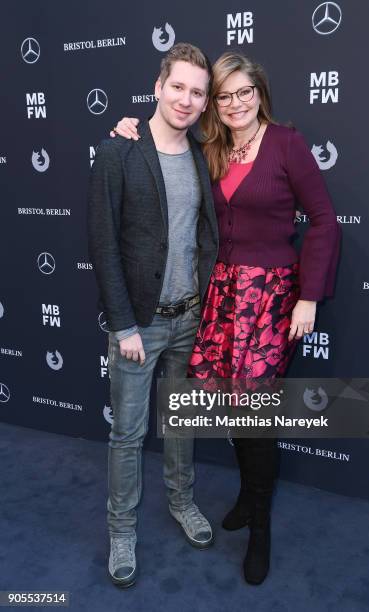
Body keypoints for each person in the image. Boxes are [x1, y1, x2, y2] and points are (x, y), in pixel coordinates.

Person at [111, 52, 340, 585]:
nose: (235, 103)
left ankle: (260, 528)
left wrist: (309, 297)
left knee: (256, 420)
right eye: (224, 95)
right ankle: (245, 498)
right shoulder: (209, 147)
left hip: (272, 298)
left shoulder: (287, 143)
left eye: (245, 92)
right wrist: (124, 128)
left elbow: (325, 221)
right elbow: (158, 149)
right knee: (232, 414)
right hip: (218, 297)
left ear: (260, 92)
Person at [87, 43, 218, 588]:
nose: (186, 100)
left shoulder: (202, 155)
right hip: (139, 324)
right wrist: (122, 325)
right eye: (179, 86)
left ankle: (182, 502)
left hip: (191, 318)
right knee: (128, 434)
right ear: (159, 86)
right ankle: (121, 532)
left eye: (198, 92)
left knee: (182, 424)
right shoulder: (119, 150)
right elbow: (102, 243)